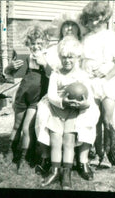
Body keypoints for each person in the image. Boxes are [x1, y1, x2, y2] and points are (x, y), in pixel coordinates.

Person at [40, 36, 100, 188]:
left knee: (69, 141)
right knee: (55, 140)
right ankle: (54, 171)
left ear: (78, 57)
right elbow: (51, 95)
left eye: (70, 57)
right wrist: (62, 102)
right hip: (57, 111)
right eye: (64, 57)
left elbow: (89, 98)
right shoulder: (56, 74)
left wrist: (83, 104)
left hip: (73, 112)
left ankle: (66, 173)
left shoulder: (82, 76)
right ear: (60, 57)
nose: (67, 60)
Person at [79, 0, 115, 169]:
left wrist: (106, 75)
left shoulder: (112, 36)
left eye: (97, 18)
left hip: (109, 82)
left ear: (104, 17)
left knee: (107, 119)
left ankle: (108, 154)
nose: (93, 22)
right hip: (90, 82)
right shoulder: (86, 38)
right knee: (94, 119)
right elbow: (82, 61)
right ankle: (97, 153)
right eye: (91, 18)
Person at [35, 19, 82, 176]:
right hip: (58, 103)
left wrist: (83, 102)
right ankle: (48, 161)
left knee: (71, 137)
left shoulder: (80, 55)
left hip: (76, 105)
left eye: (72, 26)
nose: (69, 28)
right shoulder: (56, 55)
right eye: (66, 26)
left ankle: (80, 162)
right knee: (45, 119)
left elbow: (85, 88)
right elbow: (52, 89)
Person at [4, 25, 50, 169]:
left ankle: (23, 159)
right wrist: (10, 67)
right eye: (33, 43)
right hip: (22, 95)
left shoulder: (47, 56)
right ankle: (10, 151)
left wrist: (46, 64)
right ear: (28, 44)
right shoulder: (24, 56)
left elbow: (54, 74)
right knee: (16, 126)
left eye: (39, 43)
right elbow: (8, 74)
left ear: (45, 44)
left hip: (37, 99)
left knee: (27, 128)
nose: (36, 46)